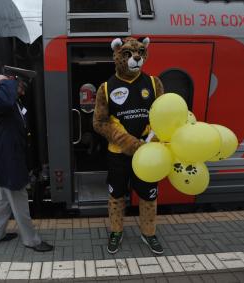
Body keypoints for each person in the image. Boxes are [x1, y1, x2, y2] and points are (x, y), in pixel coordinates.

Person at [93, 37, 165, 254]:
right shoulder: (106, 88)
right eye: (128, 54)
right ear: (117, 55)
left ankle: (149, 233)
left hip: (148, 153)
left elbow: (163, 117)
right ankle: (116, 231)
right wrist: (129, 143)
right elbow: (99, 122)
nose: (136, 58)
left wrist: (150, 141)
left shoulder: (154, 83)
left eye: (141, 53)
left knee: (149, 196)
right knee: (116, 196)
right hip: (118, 154)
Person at [0, 73, 53, 252]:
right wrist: (6, 81)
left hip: (8, 160)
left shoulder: (10, 101)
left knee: (3, 199)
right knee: (19, 201)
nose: (20, 93)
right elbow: (5, 100)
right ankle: (32, 241)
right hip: (7, 162)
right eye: (19, 88)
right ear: (9, 84)